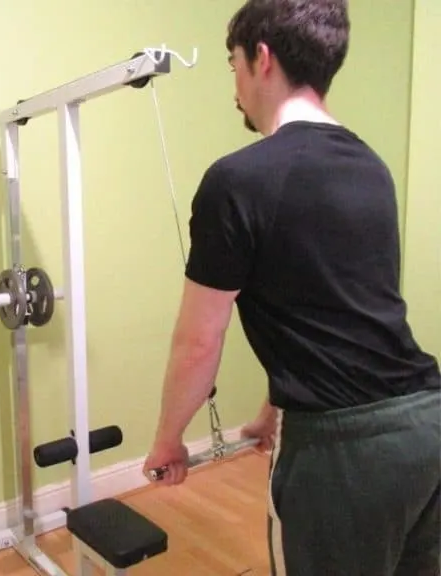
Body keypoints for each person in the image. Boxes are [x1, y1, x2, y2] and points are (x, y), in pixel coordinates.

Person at [141, 0, 441, 574]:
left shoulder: (236, 180)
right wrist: (272, 407)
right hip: (426, 425)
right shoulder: (371, 167)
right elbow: (339, 314)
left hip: (342, 455)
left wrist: (167, 439)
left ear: (262, 57)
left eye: (232, 66)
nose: (234, 89)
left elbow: (198, 343)